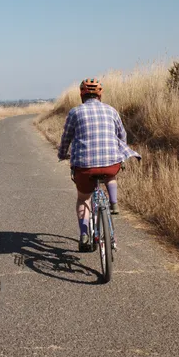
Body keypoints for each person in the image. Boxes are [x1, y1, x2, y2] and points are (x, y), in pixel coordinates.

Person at [57, 78, 140, 251]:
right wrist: (121, 155)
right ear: (100, 94)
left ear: (82, 94)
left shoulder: (75, 112)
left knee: (83, 198)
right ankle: (114, 203)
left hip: (84, 167)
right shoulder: (111, 111)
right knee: (111, 174)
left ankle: (84, 234)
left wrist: (62, 153)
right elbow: (122, 135)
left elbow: (66, 138)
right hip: (110, 163)